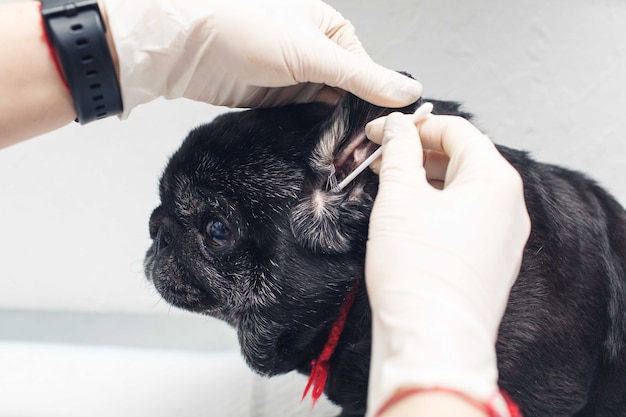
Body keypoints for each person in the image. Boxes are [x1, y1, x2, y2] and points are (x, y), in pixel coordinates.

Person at [0, 1, 531, 416]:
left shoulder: (524, 344)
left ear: (343, 193)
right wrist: (139, 43)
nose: (160, 232)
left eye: (214, 228)